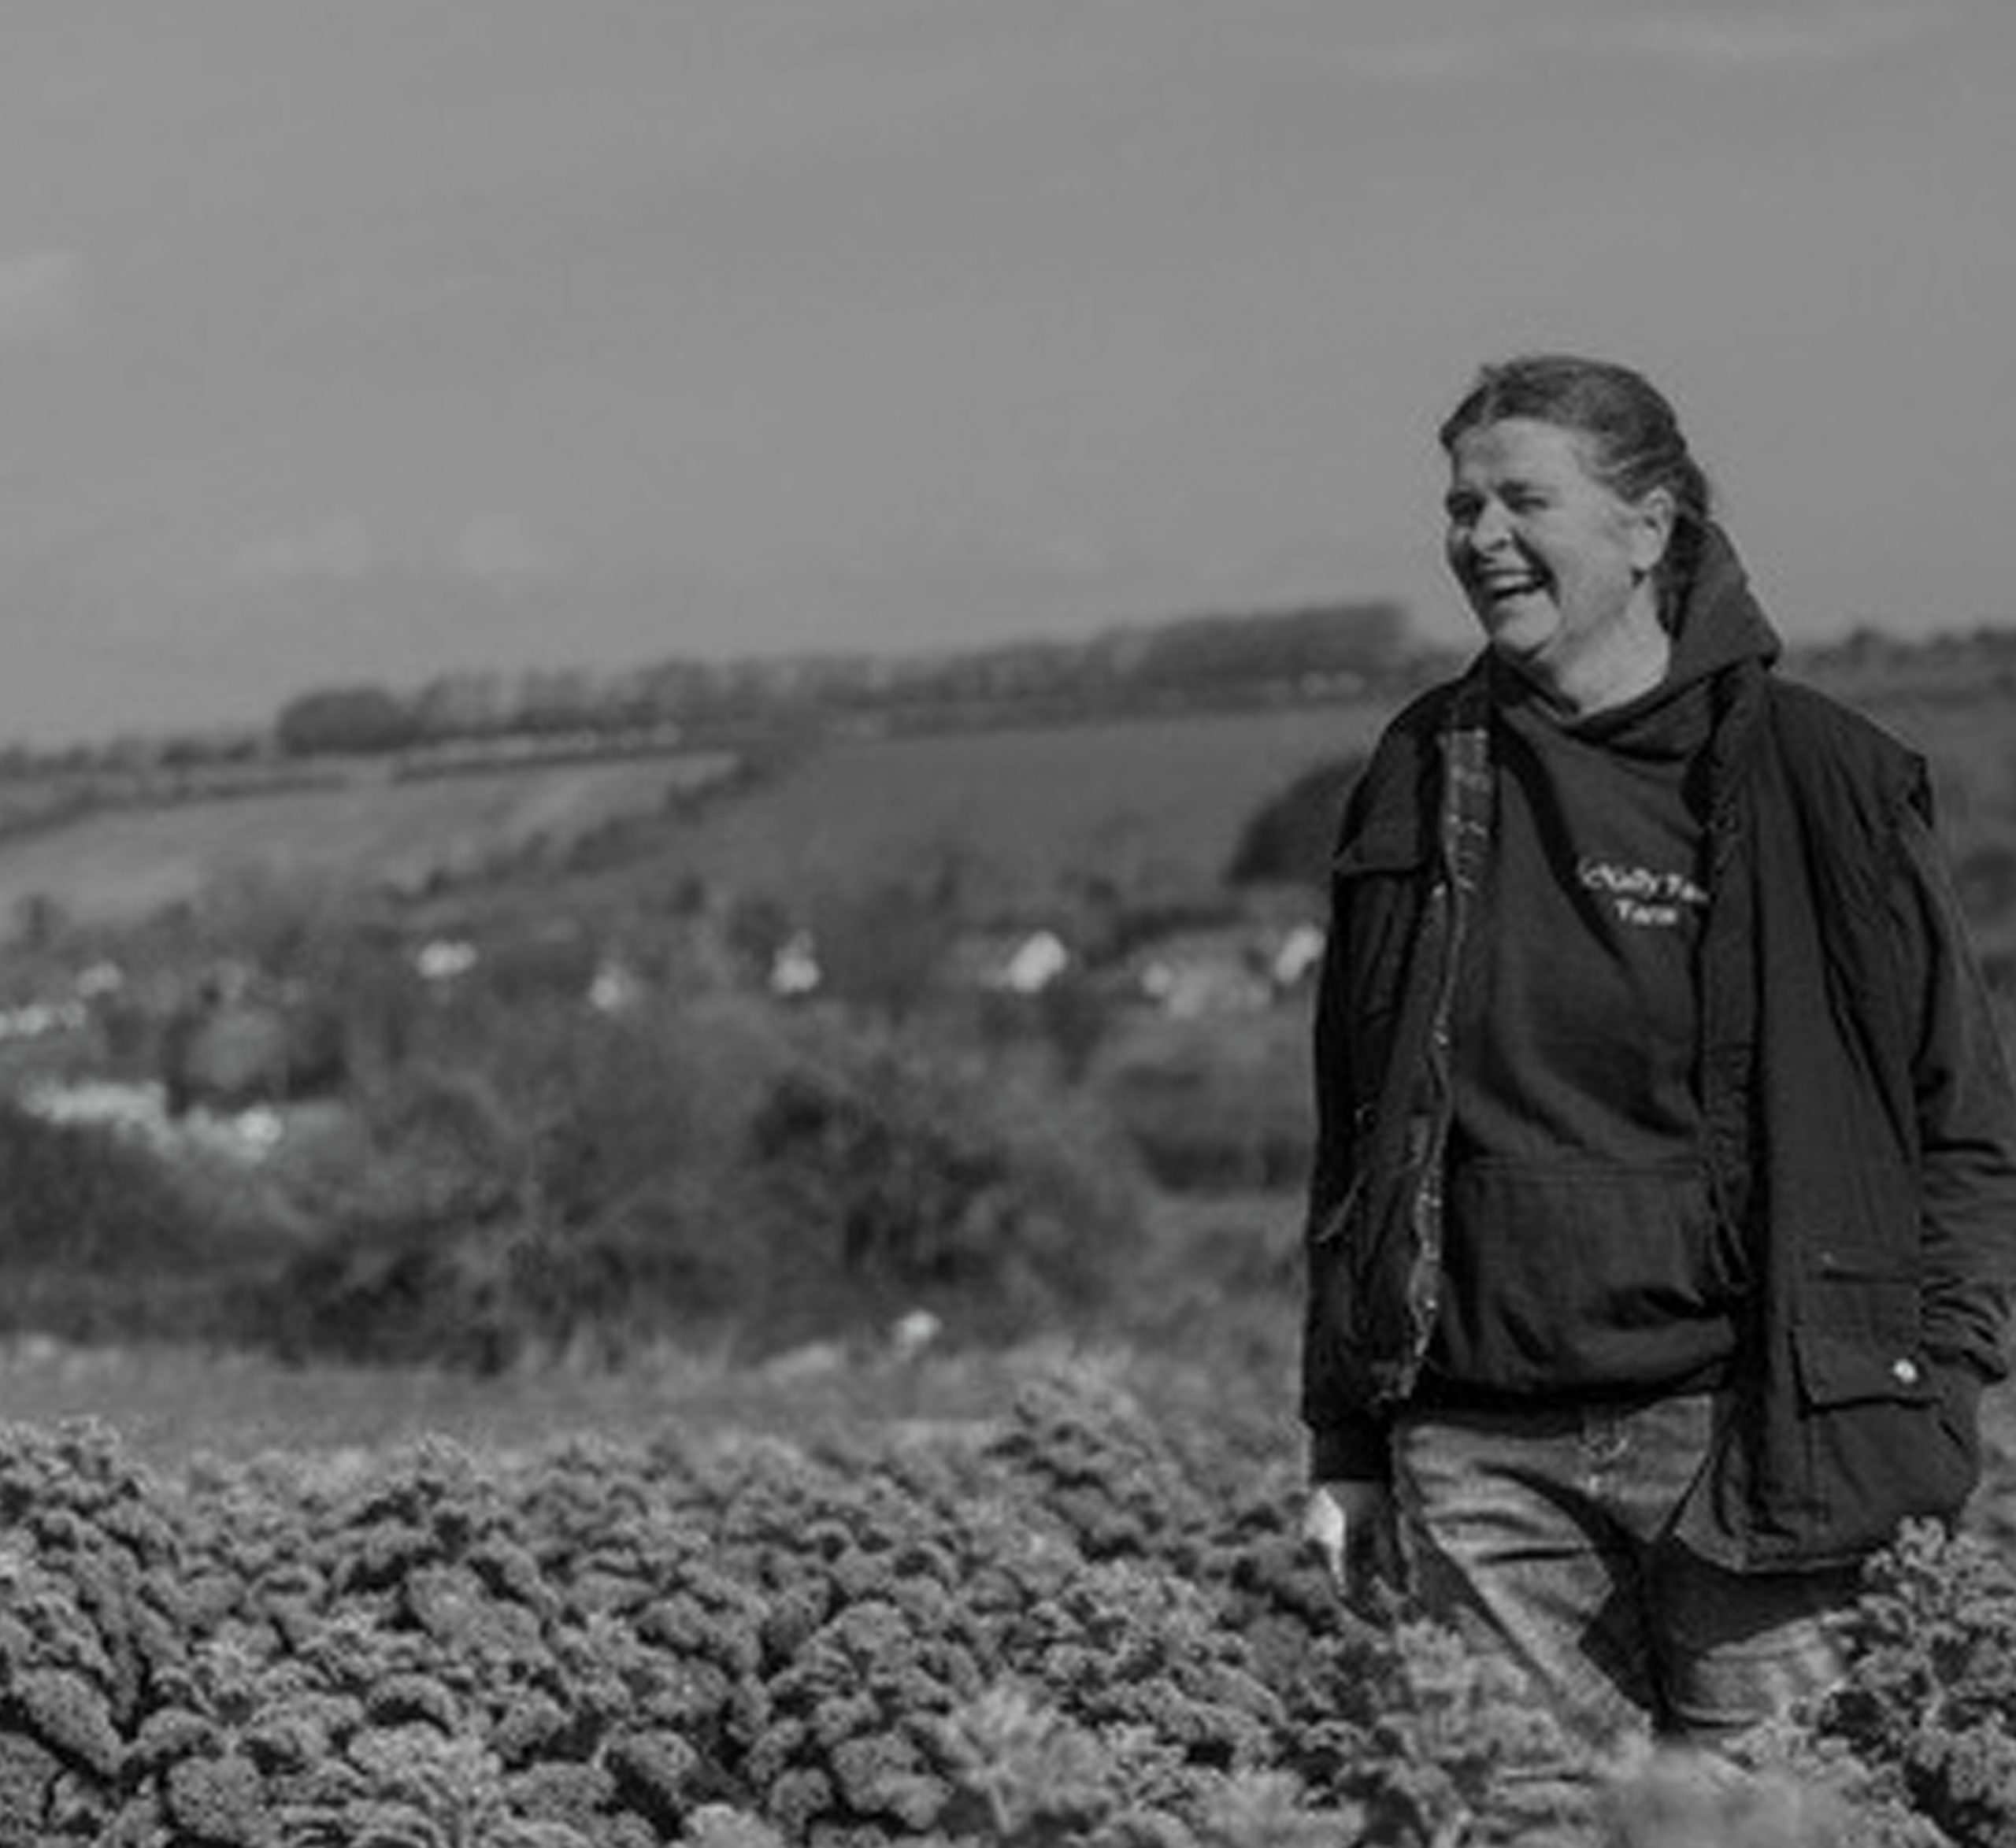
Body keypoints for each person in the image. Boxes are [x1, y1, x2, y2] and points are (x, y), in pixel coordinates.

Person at [1298, 353, 2016, 1742]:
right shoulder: (1415, 772)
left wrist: (1937, 1385)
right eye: (1460, 509)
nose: (1482, 541)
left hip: (1759, 1436)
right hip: (1476, 1445)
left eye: (1523, 502)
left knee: (1777, 1833)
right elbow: (1357, 1131)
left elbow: (1962, 1121)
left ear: (1650, 525)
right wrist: (1347, 1434)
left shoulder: (1825, 778)